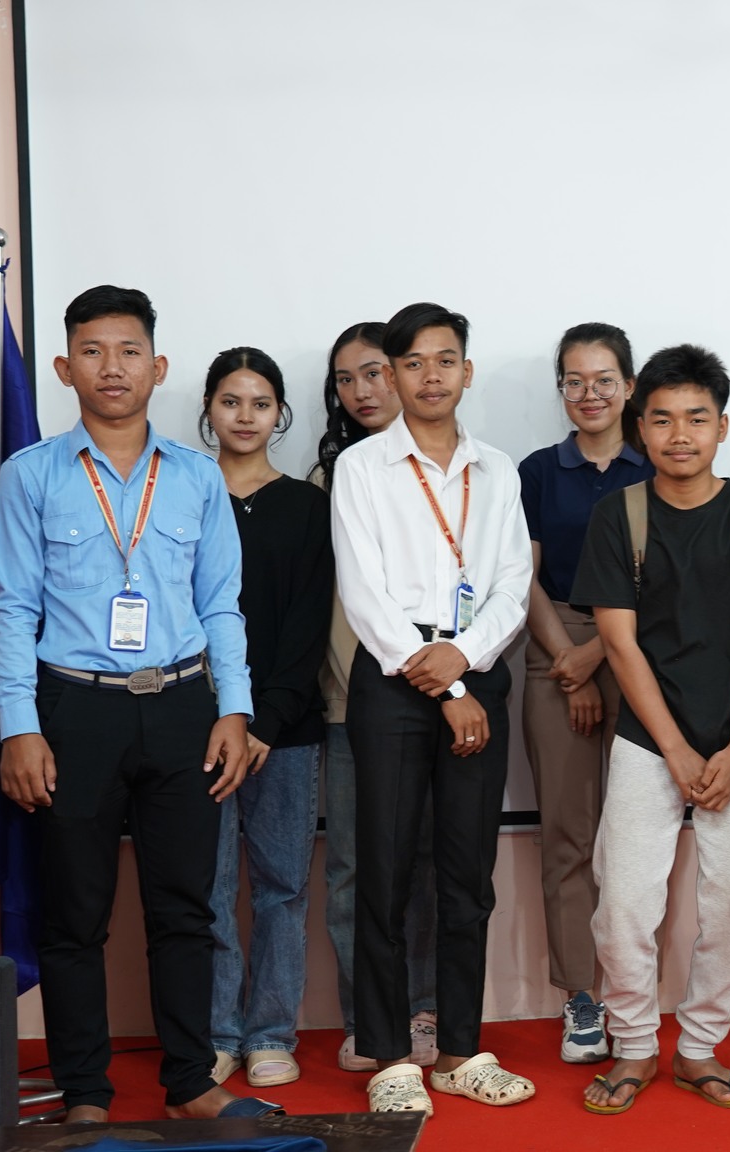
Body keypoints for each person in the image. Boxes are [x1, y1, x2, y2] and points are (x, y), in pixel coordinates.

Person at [0, 285, 276, 1121]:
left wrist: (235, 710)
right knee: (74, 915)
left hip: (183, 706)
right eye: (92, 351)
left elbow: (222, 604)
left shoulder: (197, 478)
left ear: (159, 366)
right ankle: (85, 1093)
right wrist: (19, 727)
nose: (111, 368)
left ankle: (189, 1082)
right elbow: (12, 609)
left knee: (185, 909)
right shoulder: (31, 474)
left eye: (128, 352)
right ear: (64, 367)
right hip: (73, 710)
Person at [570, 343, 730, 1115]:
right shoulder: (620, 516)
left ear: (722, 426)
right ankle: (635, 1045)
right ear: (640, 427)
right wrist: (674, 749)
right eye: (663, 419)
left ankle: (699, 1046)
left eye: (697, 418)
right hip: (648, 742)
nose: (680, 435)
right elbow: (620, 643)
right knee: (623, 905)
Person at [330, 303, 536, 1113]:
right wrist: (448, 686)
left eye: (444, 360)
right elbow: (364, 595)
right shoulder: (363, 468)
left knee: (466, 877)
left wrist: (467, 661)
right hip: (395, 681)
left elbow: (513, 584)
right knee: (383, 874)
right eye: (411, 363)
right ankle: (389, 1058)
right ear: (391, 375)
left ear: (466, 371)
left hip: (475, 670)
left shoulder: (499, 470)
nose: (429, 376)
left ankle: (458, 1051)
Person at [517, 322, 655, 1063]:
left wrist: (599, 652)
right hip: (554, 643)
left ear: (629, 386)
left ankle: (634, 991)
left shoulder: (655, 461)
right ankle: (581, 998)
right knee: (568, 835)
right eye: (575, 381)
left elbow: (663, 574)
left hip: (638, 643)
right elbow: (524, 577)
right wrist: (568, 661)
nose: (590, 393)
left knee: (633, 837)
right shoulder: (540, 471)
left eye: (605, 380)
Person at [198, 347, 332, 1091]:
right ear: (208, 410)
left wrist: (265, 723)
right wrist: (224, 714)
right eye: (230, 401)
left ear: (280, 414)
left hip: (286, 730)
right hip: (200, 725)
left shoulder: (307, 505)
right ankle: (219, 1034)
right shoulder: (184, 493)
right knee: (209, 888)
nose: (245, 416)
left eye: (260, 403)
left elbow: (308, 626)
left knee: (283, 886)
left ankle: (272, 1033)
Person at [310, 323, 441, 1075]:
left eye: (373, 372)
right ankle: (368, 1018)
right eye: (345, 379)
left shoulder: (451, 476)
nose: (361, 391)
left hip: (437, 696)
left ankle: (421, 1009)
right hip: (350, 704)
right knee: (355, 869)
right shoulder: (329, 479)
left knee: (424, 863)